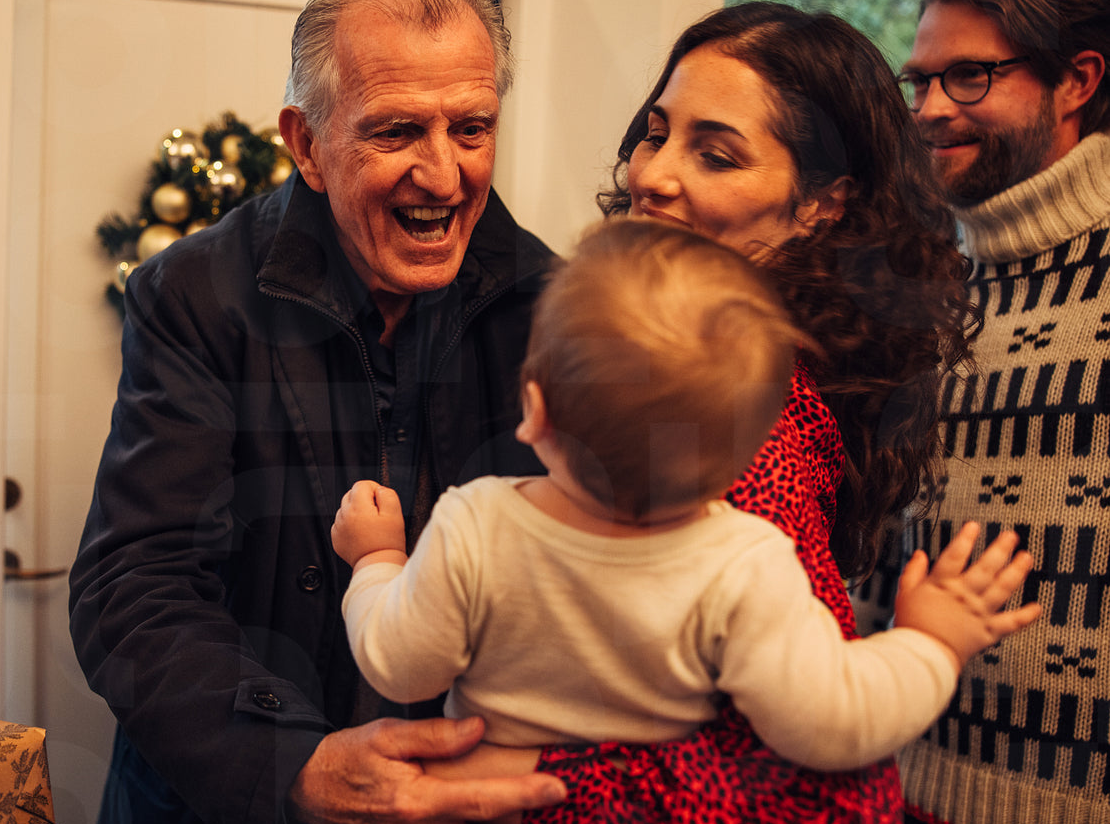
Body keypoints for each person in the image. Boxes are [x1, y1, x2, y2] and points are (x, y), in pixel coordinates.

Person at [69, 0, 591, 824]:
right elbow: (133, 586)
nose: (444, 175)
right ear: (306, 144)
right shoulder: (193, 293)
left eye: (472, 128)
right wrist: (295, 770)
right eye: (397, 131)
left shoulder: (552, 306)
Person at [428, 1, 977, 824]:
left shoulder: (749, 433)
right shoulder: (683, 378)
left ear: (822, 204)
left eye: (716, 154)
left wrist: (524, 779)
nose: (653, 175)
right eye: (656, 135)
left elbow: (822, 822)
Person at [333, 217, 1037, 785]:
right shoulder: (747, 560)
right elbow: (833, 724)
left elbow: (399, 665)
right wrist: (931, 644)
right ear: (748, 450)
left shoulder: (476, 523)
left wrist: (377, 560)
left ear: (535, 410)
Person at [855, 0, 1110, 824]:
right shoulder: (926, 282)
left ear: (1078, 80)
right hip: (907, 802)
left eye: (969, 77)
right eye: (919, 81)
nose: (929, 110)